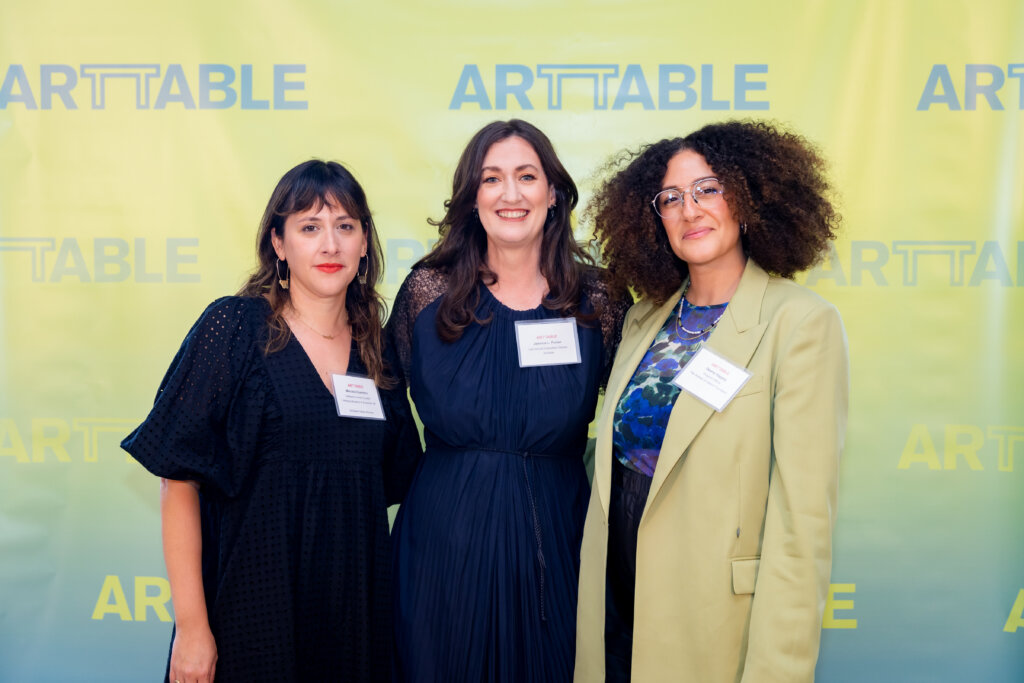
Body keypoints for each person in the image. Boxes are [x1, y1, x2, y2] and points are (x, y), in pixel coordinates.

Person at [121, 160, 422, 683]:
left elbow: (391, 481)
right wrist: (193, 629)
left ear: (364, 243)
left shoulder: (377, 348)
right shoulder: (234, 328)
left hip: (352, 622)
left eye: (345, 226)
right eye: (310, 227)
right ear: (279, 244)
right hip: (251, 613)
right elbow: (179, 478)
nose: (330, 245)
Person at [575, 120, 849, 682]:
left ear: (748, 198)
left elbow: (802, 524)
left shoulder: (799, 323)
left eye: (708, 189)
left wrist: (780, 670)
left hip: (712, 615)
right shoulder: (643, 318)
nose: (689, 210)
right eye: (670, 198)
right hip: (616, 594)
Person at [387, 119, 631, 682]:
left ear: (554, 193)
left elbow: (631, 419)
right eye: (492, 178)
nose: (511, 193)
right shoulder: (427, 292)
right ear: (473, 197)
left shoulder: (601, 300)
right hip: (443, 543)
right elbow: (387, 405)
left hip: (560, 540)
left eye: (527, 176)